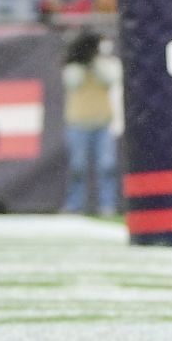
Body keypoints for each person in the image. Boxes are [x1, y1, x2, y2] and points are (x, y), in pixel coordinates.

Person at [61, 31, 121, 216]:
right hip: (78, 123)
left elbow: (110, 79)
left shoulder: (106, 64)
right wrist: (82, 61)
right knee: (77, 167)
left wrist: (94, 62)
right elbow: (73, 82)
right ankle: (74, 204)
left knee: (107, 166)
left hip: (103, 123)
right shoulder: (73, 67)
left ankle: (107, 205)